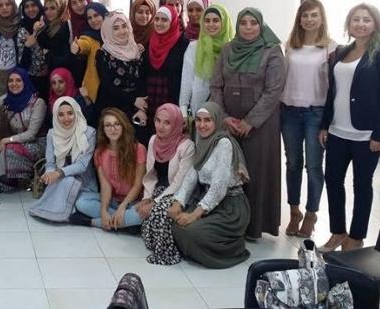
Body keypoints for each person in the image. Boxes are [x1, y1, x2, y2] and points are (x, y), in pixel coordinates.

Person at [318, 3, 380, 252]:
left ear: (376, 24)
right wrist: (325, 125)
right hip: (337, 130)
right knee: (333, 181)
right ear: (349, 24)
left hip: (366, 134)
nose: (361, 24)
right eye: (356, 19)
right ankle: (338, 233)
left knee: (361, 185)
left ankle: (356, 237)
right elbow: (332, 91)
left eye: (366, 19)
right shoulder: (342, 52)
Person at [146, 102, 251, 268]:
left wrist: (194, 215)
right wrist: (178, 202)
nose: (202, 125)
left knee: (191, 232)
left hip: (230, 208)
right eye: (199, 120)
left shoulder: (223, 144)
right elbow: (192, 174)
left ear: (217, 121)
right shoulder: (202, 140)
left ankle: (233, 248)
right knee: (174, 223)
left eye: (207, 120)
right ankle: (198, 249)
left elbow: (219, 188)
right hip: (208, 202)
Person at [210, 8, 285, 239]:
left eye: (254, 23)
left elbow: (273, 91)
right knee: (227, 170)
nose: (249, 27)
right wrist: (223, 116)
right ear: (237, 25)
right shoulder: (228, 49)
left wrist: (250, 121)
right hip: (229, 121)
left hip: (261, 125)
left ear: (261, 26)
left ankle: (253, 226)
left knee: (255, 172)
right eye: (244, 22)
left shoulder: (272, 51)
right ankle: (227, 222)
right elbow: (216, 85)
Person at [281, 0, 337, 238]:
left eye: (314, 15)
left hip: (316, 112)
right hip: (289, 111)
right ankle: (294, 212)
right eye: (305, 15)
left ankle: (311, 214)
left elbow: (334, 87)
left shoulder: (331, 48)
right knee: (293, 163)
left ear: (321, 18)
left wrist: (328, 122)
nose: (309, 19)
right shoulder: (290, 46)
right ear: (299, 19)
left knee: (313, 166)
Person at [73, 108, 146, 231]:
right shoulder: (99, 153)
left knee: (140, 215)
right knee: (81, 202)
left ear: (123, 126)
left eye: (117, 124)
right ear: (103, 129)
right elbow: (105, 186)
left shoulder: (138, 149)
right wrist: (103, 211)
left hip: (133, 201)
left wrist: (123, 206)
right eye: (108, 125)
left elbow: (138, 185)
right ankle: (122, 223)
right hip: (113, 200)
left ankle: (94, 222)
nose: (113, 129)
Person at [27, 97, 97, 223]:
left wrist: (58, 173)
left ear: (77, 112)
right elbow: (50, 163)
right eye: (61, 115)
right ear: (55, 116)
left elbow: (82, 165)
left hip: (85, 184)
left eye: (70, 113)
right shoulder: (52, 134)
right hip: (59, 181)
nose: (66, 119)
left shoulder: (89, 133)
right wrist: (49, 174)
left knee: (80, 203)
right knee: (67, 186)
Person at [138, 104, 196, 254]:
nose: (160, 126)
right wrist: (147, 197)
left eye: (167, 123)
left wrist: (154, 203)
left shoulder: (187, 146)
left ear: (176, 124)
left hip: (178, 193)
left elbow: (179, 182)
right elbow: (150, 175)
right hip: (158, 189)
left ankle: (166, 252)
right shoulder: (153, 140)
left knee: (156, 212)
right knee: (138, 211)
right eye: (158, 120)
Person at [0, 67, 47, 192]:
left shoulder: (38, 103)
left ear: (25, 82)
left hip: (37, 144)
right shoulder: (8, 100)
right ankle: (5, 180)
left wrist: (7, 140)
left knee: (8, 149)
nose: (14, 84)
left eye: (18, 80)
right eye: (10, 80)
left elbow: (31, 134)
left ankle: (4, 183)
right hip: (19, 142)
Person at [141, 6, 189, 138]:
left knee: (170, 136)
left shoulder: (183, 44)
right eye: (156, 19)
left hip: (171, 97)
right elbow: (143, 74)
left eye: (164, 20)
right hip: (150, 99)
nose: (159, 23)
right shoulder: (149, 42)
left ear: (172, 21)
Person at [179, 4, 233, 118]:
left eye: (216, 20)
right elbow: (187, 80)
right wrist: (183, 110)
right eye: (207, 21)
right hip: (200, 108)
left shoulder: (232, 48)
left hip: (228, 110)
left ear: (224, 23)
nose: (211, 24)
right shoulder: (194, 47)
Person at [94, 13, 145, 129]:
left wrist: (142, 109)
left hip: (134, 108)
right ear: (108, 31)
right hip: (111, 108)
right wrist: (133, 100)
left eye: (124, 26)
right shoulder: (103, 54)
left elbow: (142, 80)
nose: (122, 31)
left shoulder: (136, 50)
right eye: (116, 28)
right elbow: (107, 85)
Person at [70, 2, 107, 104]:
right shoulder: (89, 36)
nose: (93, 20)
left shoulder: (114, 34)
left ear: (104, 14)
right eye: (89, 18)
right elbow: (84, 44)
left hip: (115, 88)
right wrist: (77, 47)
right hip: (96, 91)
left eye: (96, 15)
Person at [20, 0, 49, 99]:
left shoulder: (48, 24)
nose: (30, 9)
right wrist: (27, 45)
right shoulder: (21, 29)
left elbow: (51, 47)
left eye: (33, 5)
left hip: (50, 78)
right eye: (26, 7)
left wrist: (39, 31)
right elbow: (22, 63)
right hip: (30, 79)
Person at [33, 0, 71, 74]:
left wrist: (39, 32)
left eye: (53, 8)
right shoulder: (49, 25)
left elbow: (50, 45)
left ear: (60, 9)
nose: (48, 12)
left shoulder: (64, 26)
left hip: (61, 71)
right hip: (51, 70)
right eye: (46, 9)